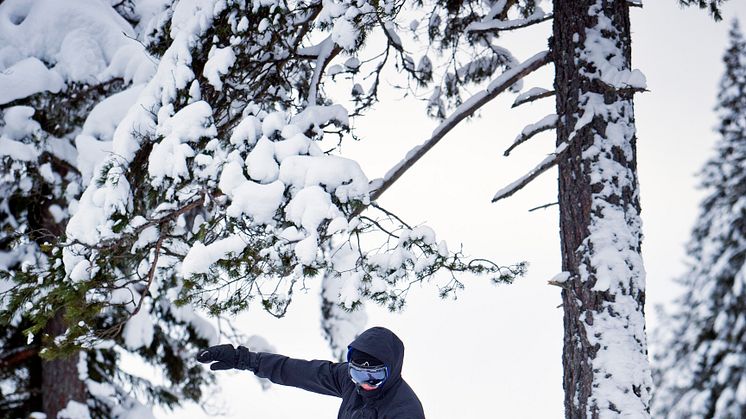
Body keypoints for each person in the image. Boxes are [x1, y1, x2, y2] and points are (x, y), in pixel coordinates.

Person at [197, 326, 425, 419]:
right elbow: (296, 371)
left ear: (391, 372)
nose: (365, 384)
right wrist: (244, 359)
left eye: (373, 377)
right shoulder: (350, 384)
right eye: (357, 375)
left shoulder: (404, 411)